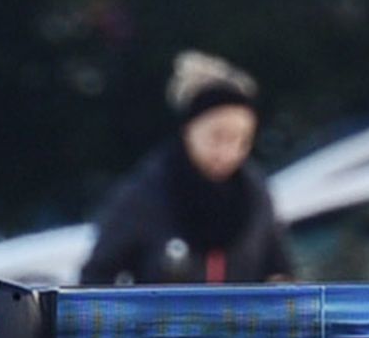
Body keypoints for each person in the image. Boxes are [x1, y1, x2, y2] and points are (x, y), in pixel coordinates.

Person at [79, 52, 297, 287]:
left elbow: (279, 268)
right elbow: (97, 276)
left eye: (241, 140)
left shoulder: (254, 191)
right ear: (189, 130)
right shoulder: (147, 192)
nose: (227, 152)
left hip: (240, 322)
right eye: (217, 137)